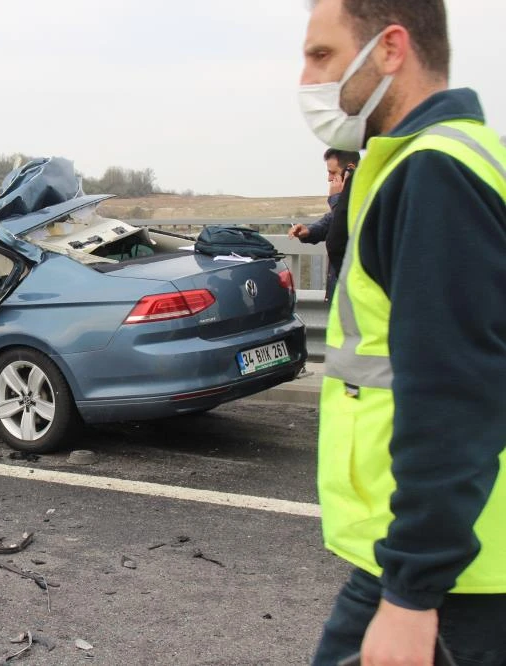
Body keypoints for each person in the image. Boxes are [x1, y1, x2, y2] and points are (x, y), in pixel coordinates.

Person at [299, 1, 506, 664]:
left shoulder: (433, 171)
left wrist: (412, 593)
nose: (305, 78)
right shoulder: (472, 156)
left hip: (452, 570)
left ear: (389, 50)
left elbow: (453, 390)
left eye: (321, 55)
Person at [287, 148, 360, 300]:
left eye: (333, 172)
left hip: (355, 293)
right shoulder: (346, 200)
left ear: (350, 170)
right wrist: (309, 231)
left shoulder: (366, 196)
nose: (329, 178)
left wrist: (336, 199)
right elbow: (331, 220)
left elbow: (344, 226)